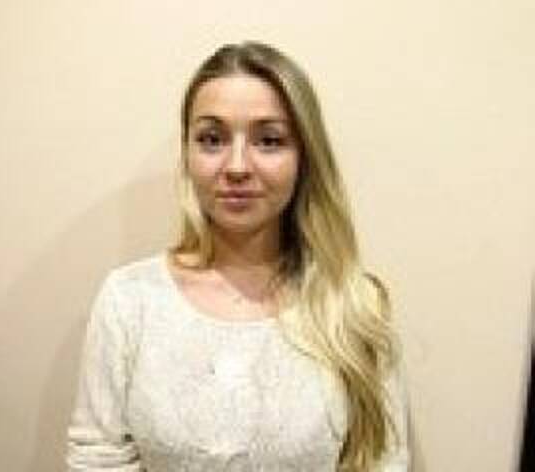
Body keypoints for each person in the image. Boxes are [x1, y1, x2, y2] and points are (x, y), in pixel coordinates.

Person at [66, 40, 410, 471]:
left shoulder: (354, 304)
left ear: (305, 158)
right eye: (212, 139)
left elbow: (383, 461)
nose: (237, 167)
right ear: (187, 154)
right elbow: (97, 457)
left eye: (269, 140)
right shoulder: (130, 300)